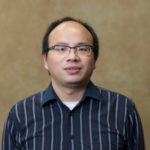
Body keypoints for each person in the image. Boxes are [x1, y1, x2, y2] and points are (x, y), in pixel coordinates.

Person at [1, 17, 145, 150]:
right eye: (61, 48)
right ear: (45, 60)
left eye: (82, 49)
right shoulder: (20, 114)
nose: (72, 57)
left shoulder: (124, 109)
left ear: (95, 59)